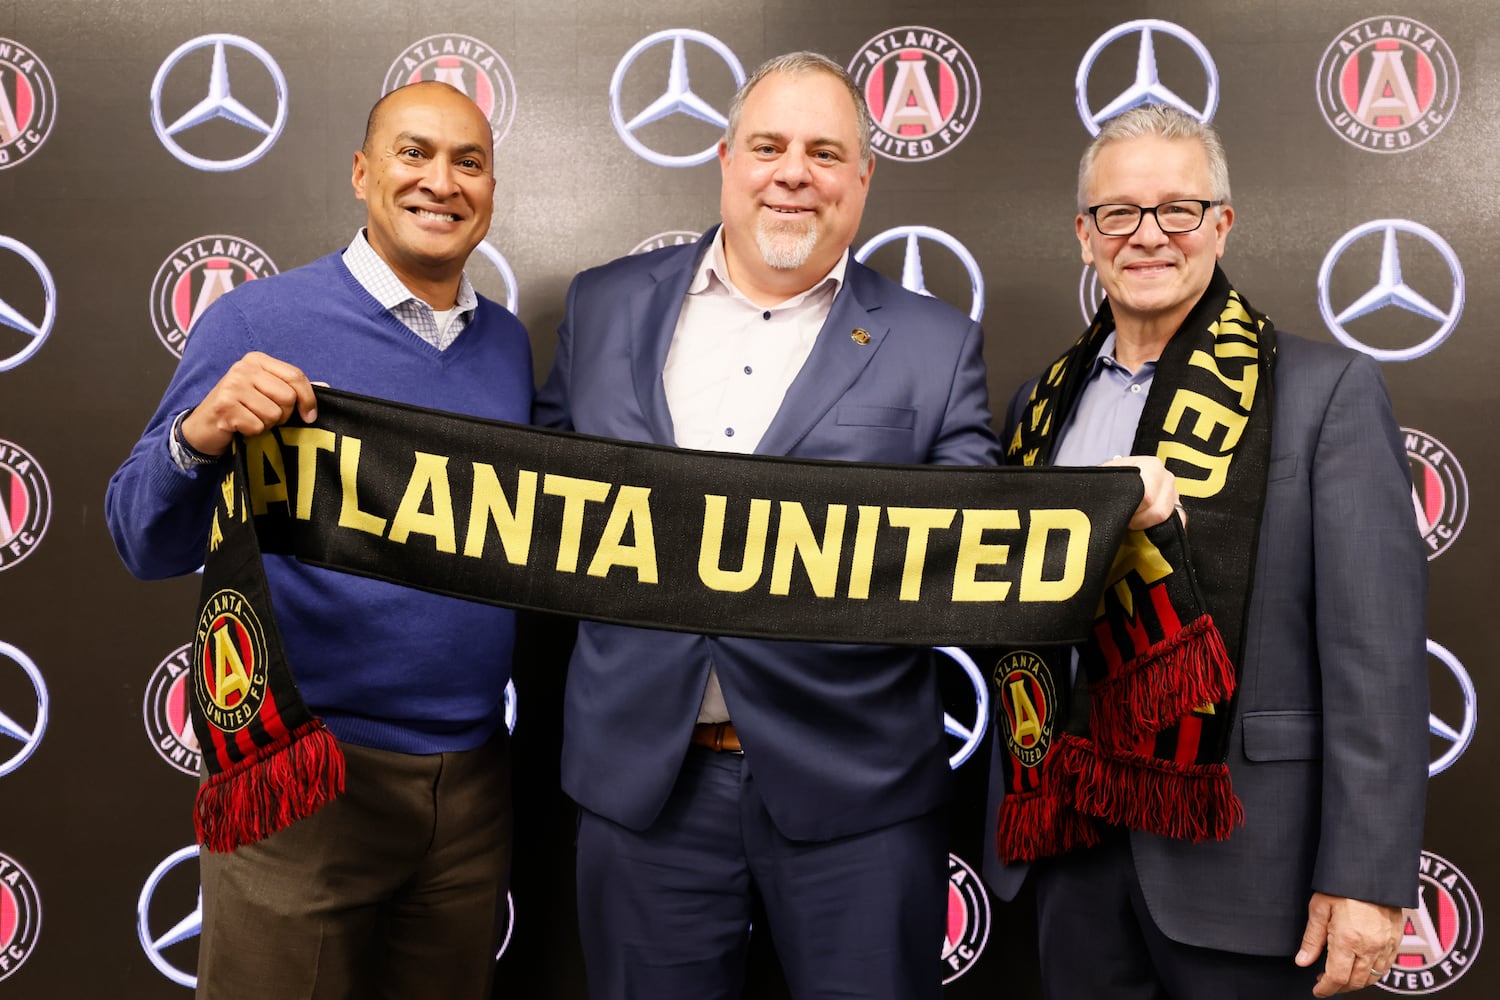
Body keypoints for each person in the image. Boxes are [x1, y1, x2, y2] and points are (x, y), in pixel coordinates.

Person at [533, 50, 995, 999]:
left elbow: (972, 545)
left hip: (857, 797)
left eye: (826, 153)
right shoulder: (604, 304)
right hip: (643, 788)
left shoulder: (937, 344)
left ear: (863, 178)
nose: (794, 172)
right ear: (725, 158)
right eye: (769, 145)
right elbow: (535, 512)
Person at [981, 104, 1429, 999]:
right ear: (1085, 236)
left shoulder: (1324, 391)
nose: (1149, 236)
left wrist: (1370, 877)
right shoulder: (1040, 406)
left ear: (1221, 225)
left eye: (1179, 209)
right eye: (1119, 213)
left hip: (1248, 861)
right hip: (1069, 848)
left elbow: (1375, 654)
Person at [105, 80, 532, 999]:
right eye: (414, 153)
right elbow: (139, 537)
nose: (441, 182)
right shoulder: (257, 322)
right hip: (306, 771)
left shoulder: (507, 348)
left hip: (471, 787)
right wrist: (198, 437)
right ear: (361, 172)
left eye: (469, 162)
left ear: (492, 190)